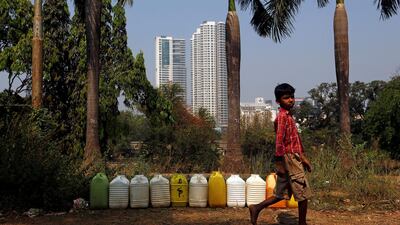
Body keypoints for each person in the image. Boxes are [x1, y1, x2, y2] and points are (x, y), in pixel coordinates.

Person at [249, 83, 312, 225]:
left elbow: (295, 140)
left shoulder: (289, 116)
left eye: (292, 97)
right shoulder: (282, 117)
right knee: (302, 194)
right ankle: (302, 223)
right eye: (286, 98)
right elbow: (279, 141)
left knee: (281, 194)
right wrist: (280, 163)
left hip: (293, 157)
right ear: (278, 101)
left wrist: (303, 157)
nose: (290, 100)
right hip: (289, 159)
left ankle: (256, 208)